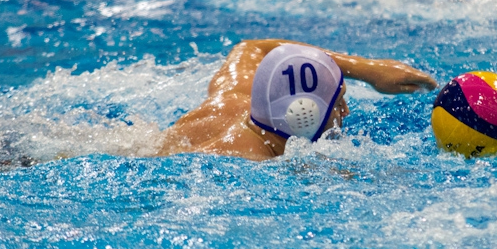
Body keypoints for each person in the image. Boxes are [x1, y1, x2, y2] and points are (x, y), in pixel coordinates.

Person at [155, 39, 437, 160]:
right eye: (337, 102)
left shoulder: (235, 94)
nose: (346, 112)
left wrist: (366, 69)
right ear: (304, 113)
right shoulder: (240, 160)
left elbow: (253, 47)